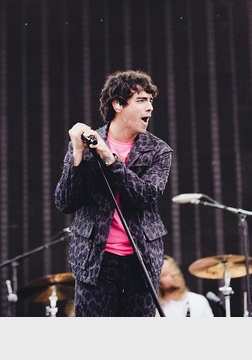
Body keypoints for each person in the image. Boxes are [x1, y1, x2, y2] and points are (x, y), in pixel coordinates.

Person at [54, 70, 172, 317]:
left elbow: (146, 196)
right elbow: (65, 202)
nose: (150, 107)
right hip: (94, 260)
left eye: (151, 100)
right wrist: (77, 155)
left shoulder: (158, 150)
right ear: (118, 105)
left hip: (141, 259)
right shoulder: (86, 144)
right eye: (141, 100)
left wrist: (111, 159)